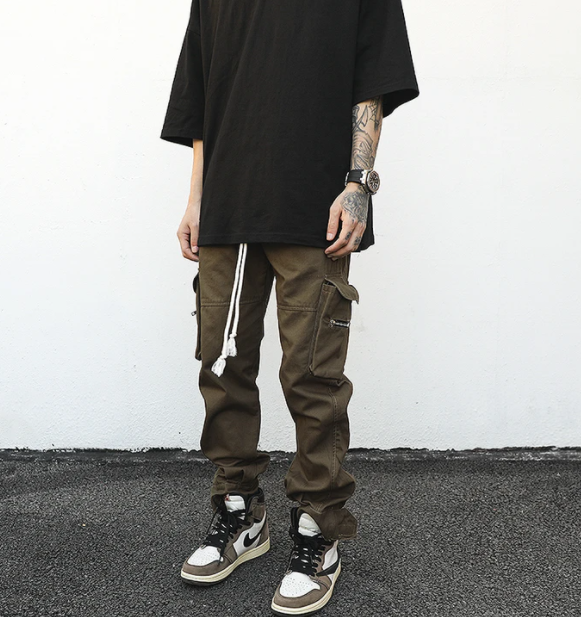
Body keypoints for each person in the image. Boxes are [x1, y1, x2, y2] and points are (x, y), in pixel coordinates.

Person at [160, 1, 419, 614]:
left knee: (312, 375)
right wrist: (196, 198)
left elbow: (372, 82)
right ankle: (240, 511)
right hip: (228, 206)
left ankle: (318, 527)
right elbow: (201, 92)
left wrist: (358, 185)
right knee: (221, 365)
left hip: (313, 207)